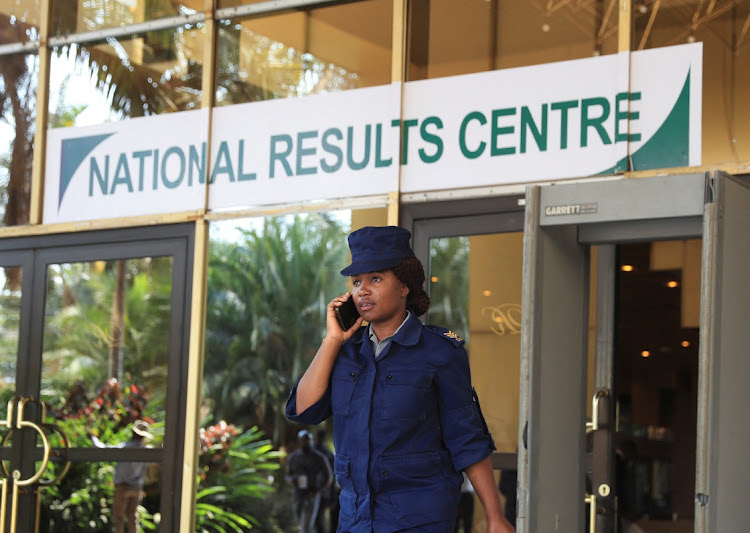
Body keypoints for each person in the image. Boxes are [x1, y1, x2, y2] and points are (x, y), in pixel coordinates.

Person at [286, 225, 515, 532]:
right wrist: (331, 340)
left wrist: (495, 517)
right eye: (356, 282)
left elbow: (467, 439)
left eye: (375, 279)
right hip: (356, 520)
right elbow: (303, 410)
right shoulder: (343, 353)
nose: (362, 291)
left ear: (405, 285)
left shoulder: (440, 352)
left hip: (420, 519)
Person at [90, 420, 153, 533]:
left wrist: (92, 438)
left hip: (123, 487)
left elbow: (103, 449)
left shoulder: (125, 448)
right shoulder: (146, 451)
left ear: (134, 433)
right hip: (136, 488)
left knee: (119, 518)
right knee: (132, 518)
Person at [286, 429, 333, 533]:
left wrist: (319, 490)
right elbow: (288, 475)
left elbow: (329, 477)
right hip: (298, 494)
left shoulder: (320, 457)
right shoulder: (293, 457)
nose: (306, 442)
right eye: (304, 440)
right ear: (299, 441)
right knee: (301, 523)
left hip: (312, 494)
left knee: (307, 526)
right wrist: (293, 481)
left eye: (308, 440)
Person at [313, 429, 339, 533]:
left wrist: (333, 497)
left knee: (319, 519)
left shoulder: (328, 454)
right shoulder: (313, 451)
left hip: (324, 491)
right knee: (317, 519)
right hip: (316, 491)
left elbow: (332, 477)